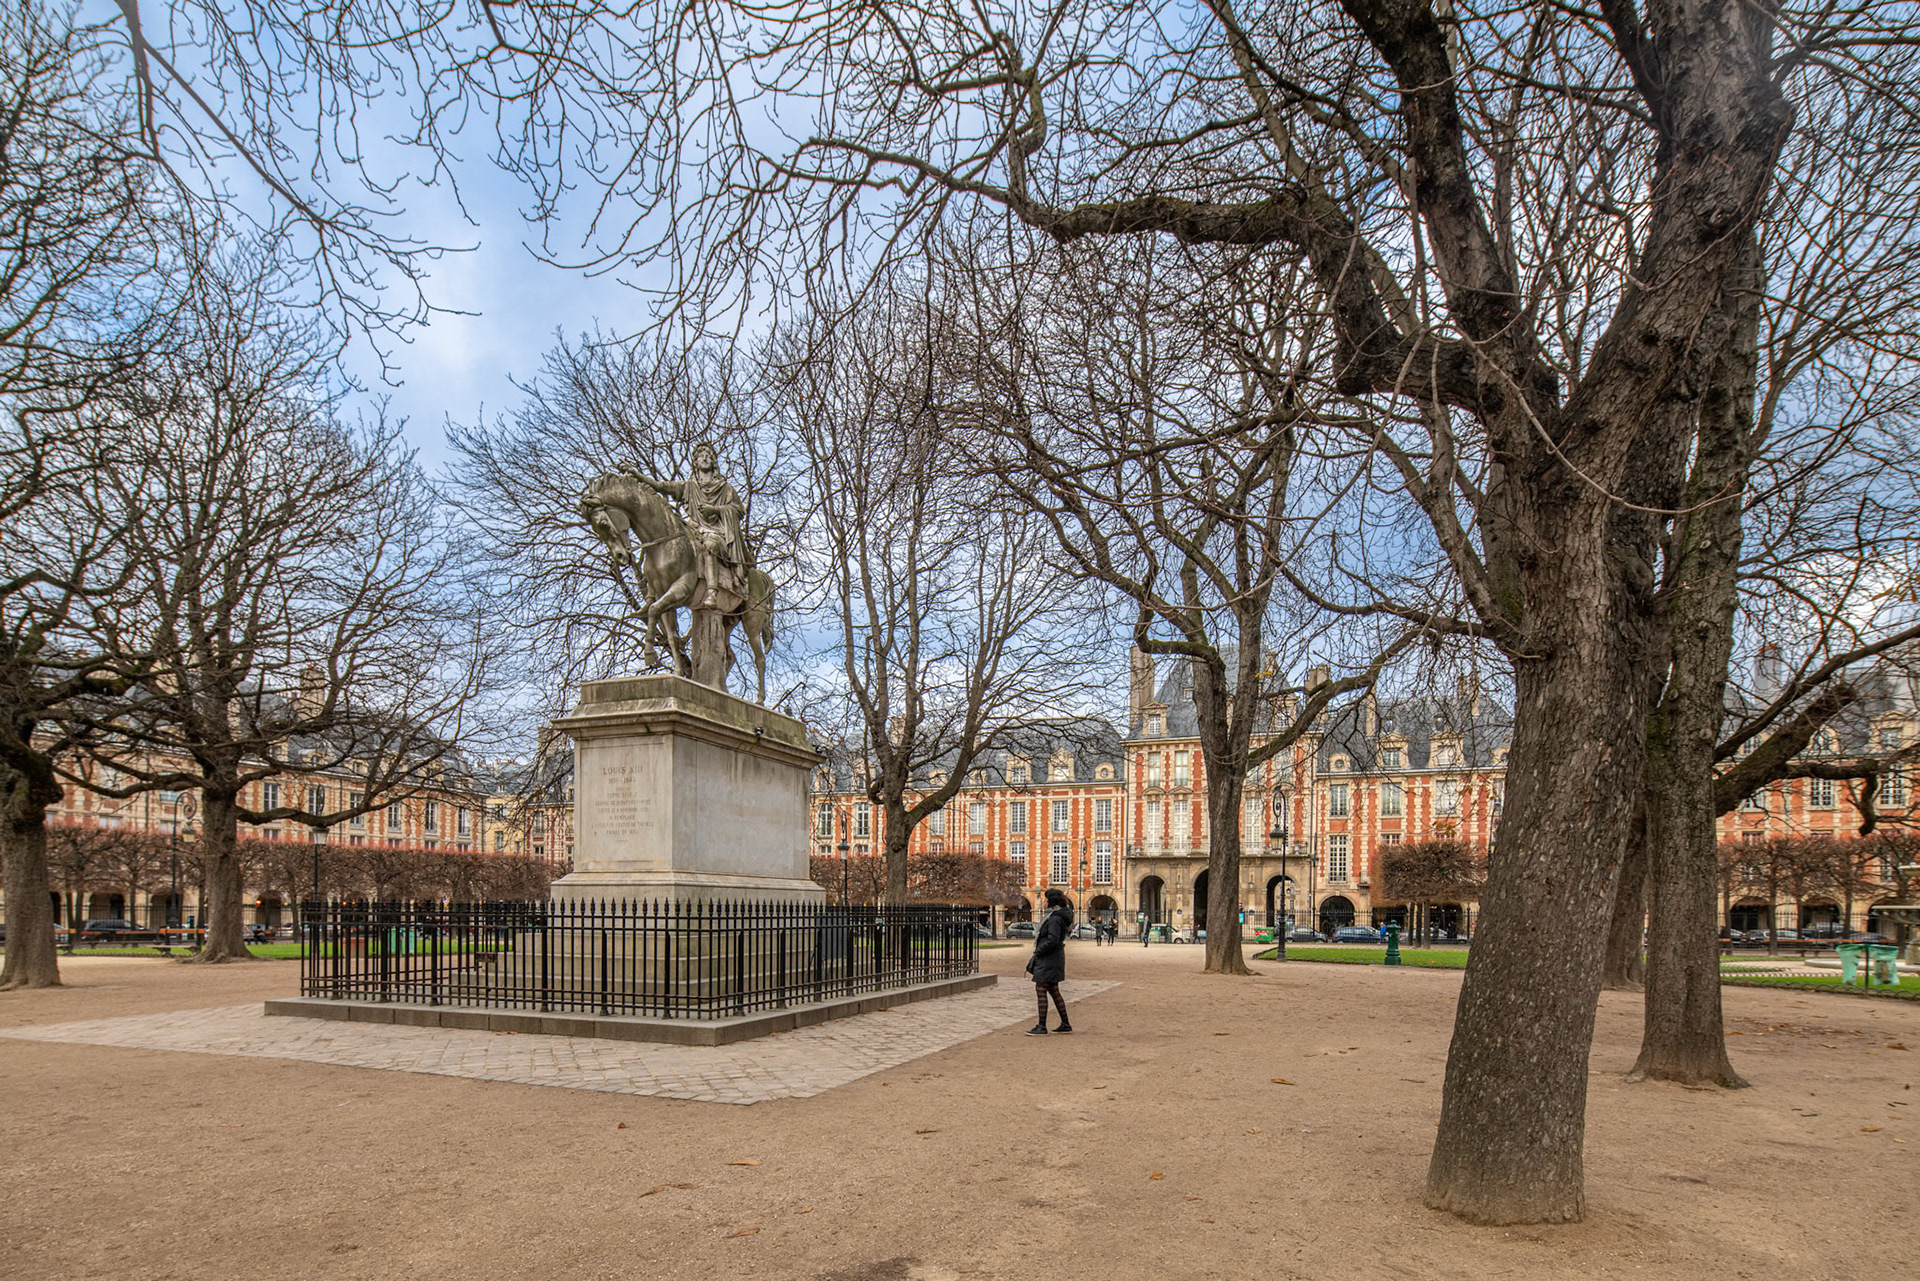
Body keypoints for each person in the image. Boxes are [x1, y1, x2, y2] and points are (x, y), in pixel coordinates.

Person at [1025, 888, 1073, 1036]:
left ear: (1052, 901)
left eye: (1047, 899)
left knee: (1041, 990)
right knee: (1053, 990)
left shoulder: (1055, 919)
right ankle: (1065, 1024)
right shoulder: (1056, 916)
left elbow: (1052, 940)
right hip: (1053, 958)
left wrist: (1039, 951)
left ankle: (1041, 1026)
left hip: (1049, 959)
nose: (1045, 902)